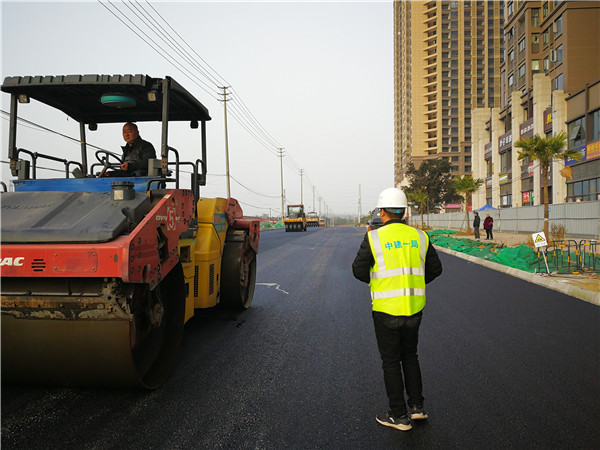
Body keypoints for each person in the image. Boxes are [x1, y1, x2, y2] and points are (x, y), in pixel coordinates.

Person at [352, 187, 443, 432]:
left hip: (385, 310)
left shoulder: (373, 238)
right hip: (414, 309)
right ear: (403, 212)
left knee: (391, 361)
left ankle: (398, 416)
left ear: (382, 212)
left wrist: (379, 281)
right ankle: (417, 408)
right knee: (410, 356)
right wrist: (411, 283)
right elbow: (435, 270)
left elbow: (358, 270)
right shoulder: (420, 237)